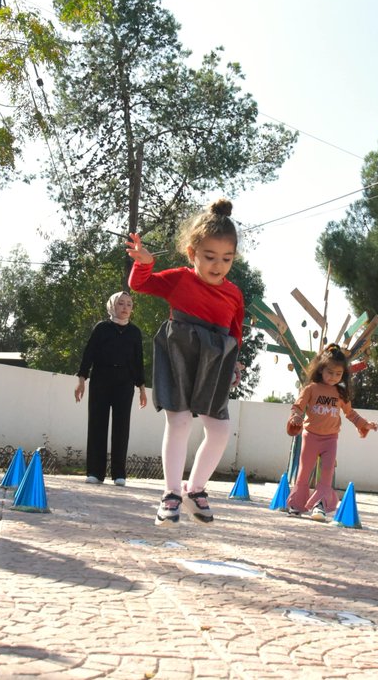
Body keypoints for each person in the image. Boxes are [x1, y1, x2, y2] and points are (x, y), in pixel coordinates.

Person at [125, 199, 245, 526]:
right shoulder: (180, 279)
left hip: (216, 361)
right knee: (178, 423)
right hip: (180, 353)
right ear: (192, 253)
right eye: (209, 257)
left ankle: (196, 490)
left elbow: (235, 330)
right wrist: (145, 263)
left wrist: (235, 363)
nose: (217, 265)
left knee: (219, 430)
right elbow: (139, 284)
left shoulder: (234, 294)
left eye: (226, 259)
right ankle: (171, 494)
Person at [285, 344, 378, 521]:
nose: (333, 377)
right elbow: (297, 407)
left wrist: (366, 424)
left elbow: (350, 414)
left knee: (327, 473)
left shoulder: (340, 393)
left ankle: (319, 506)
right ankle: (296, 505)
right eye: (330, 372)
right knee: (304, 472)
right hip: (310, 436)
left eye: (338, 374)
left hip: (331, 439)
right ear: (321, 370)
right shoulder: (311, 388)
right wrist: (295, 417)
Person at [74, 291, 148, 486]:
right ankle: (95, 473)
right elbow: (88, 353)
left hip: (125, 382)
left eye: (129, 304)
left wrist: (141, 387)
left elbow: (138, 361)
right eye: (121, 303)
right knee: (97, 423)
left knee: (121, 427)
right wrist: (81, 378)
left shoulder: (135, 332)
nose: (125, 307)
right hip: (101, 380)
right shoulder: (102, 328)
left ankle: (119, 474)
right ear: (112, 306)